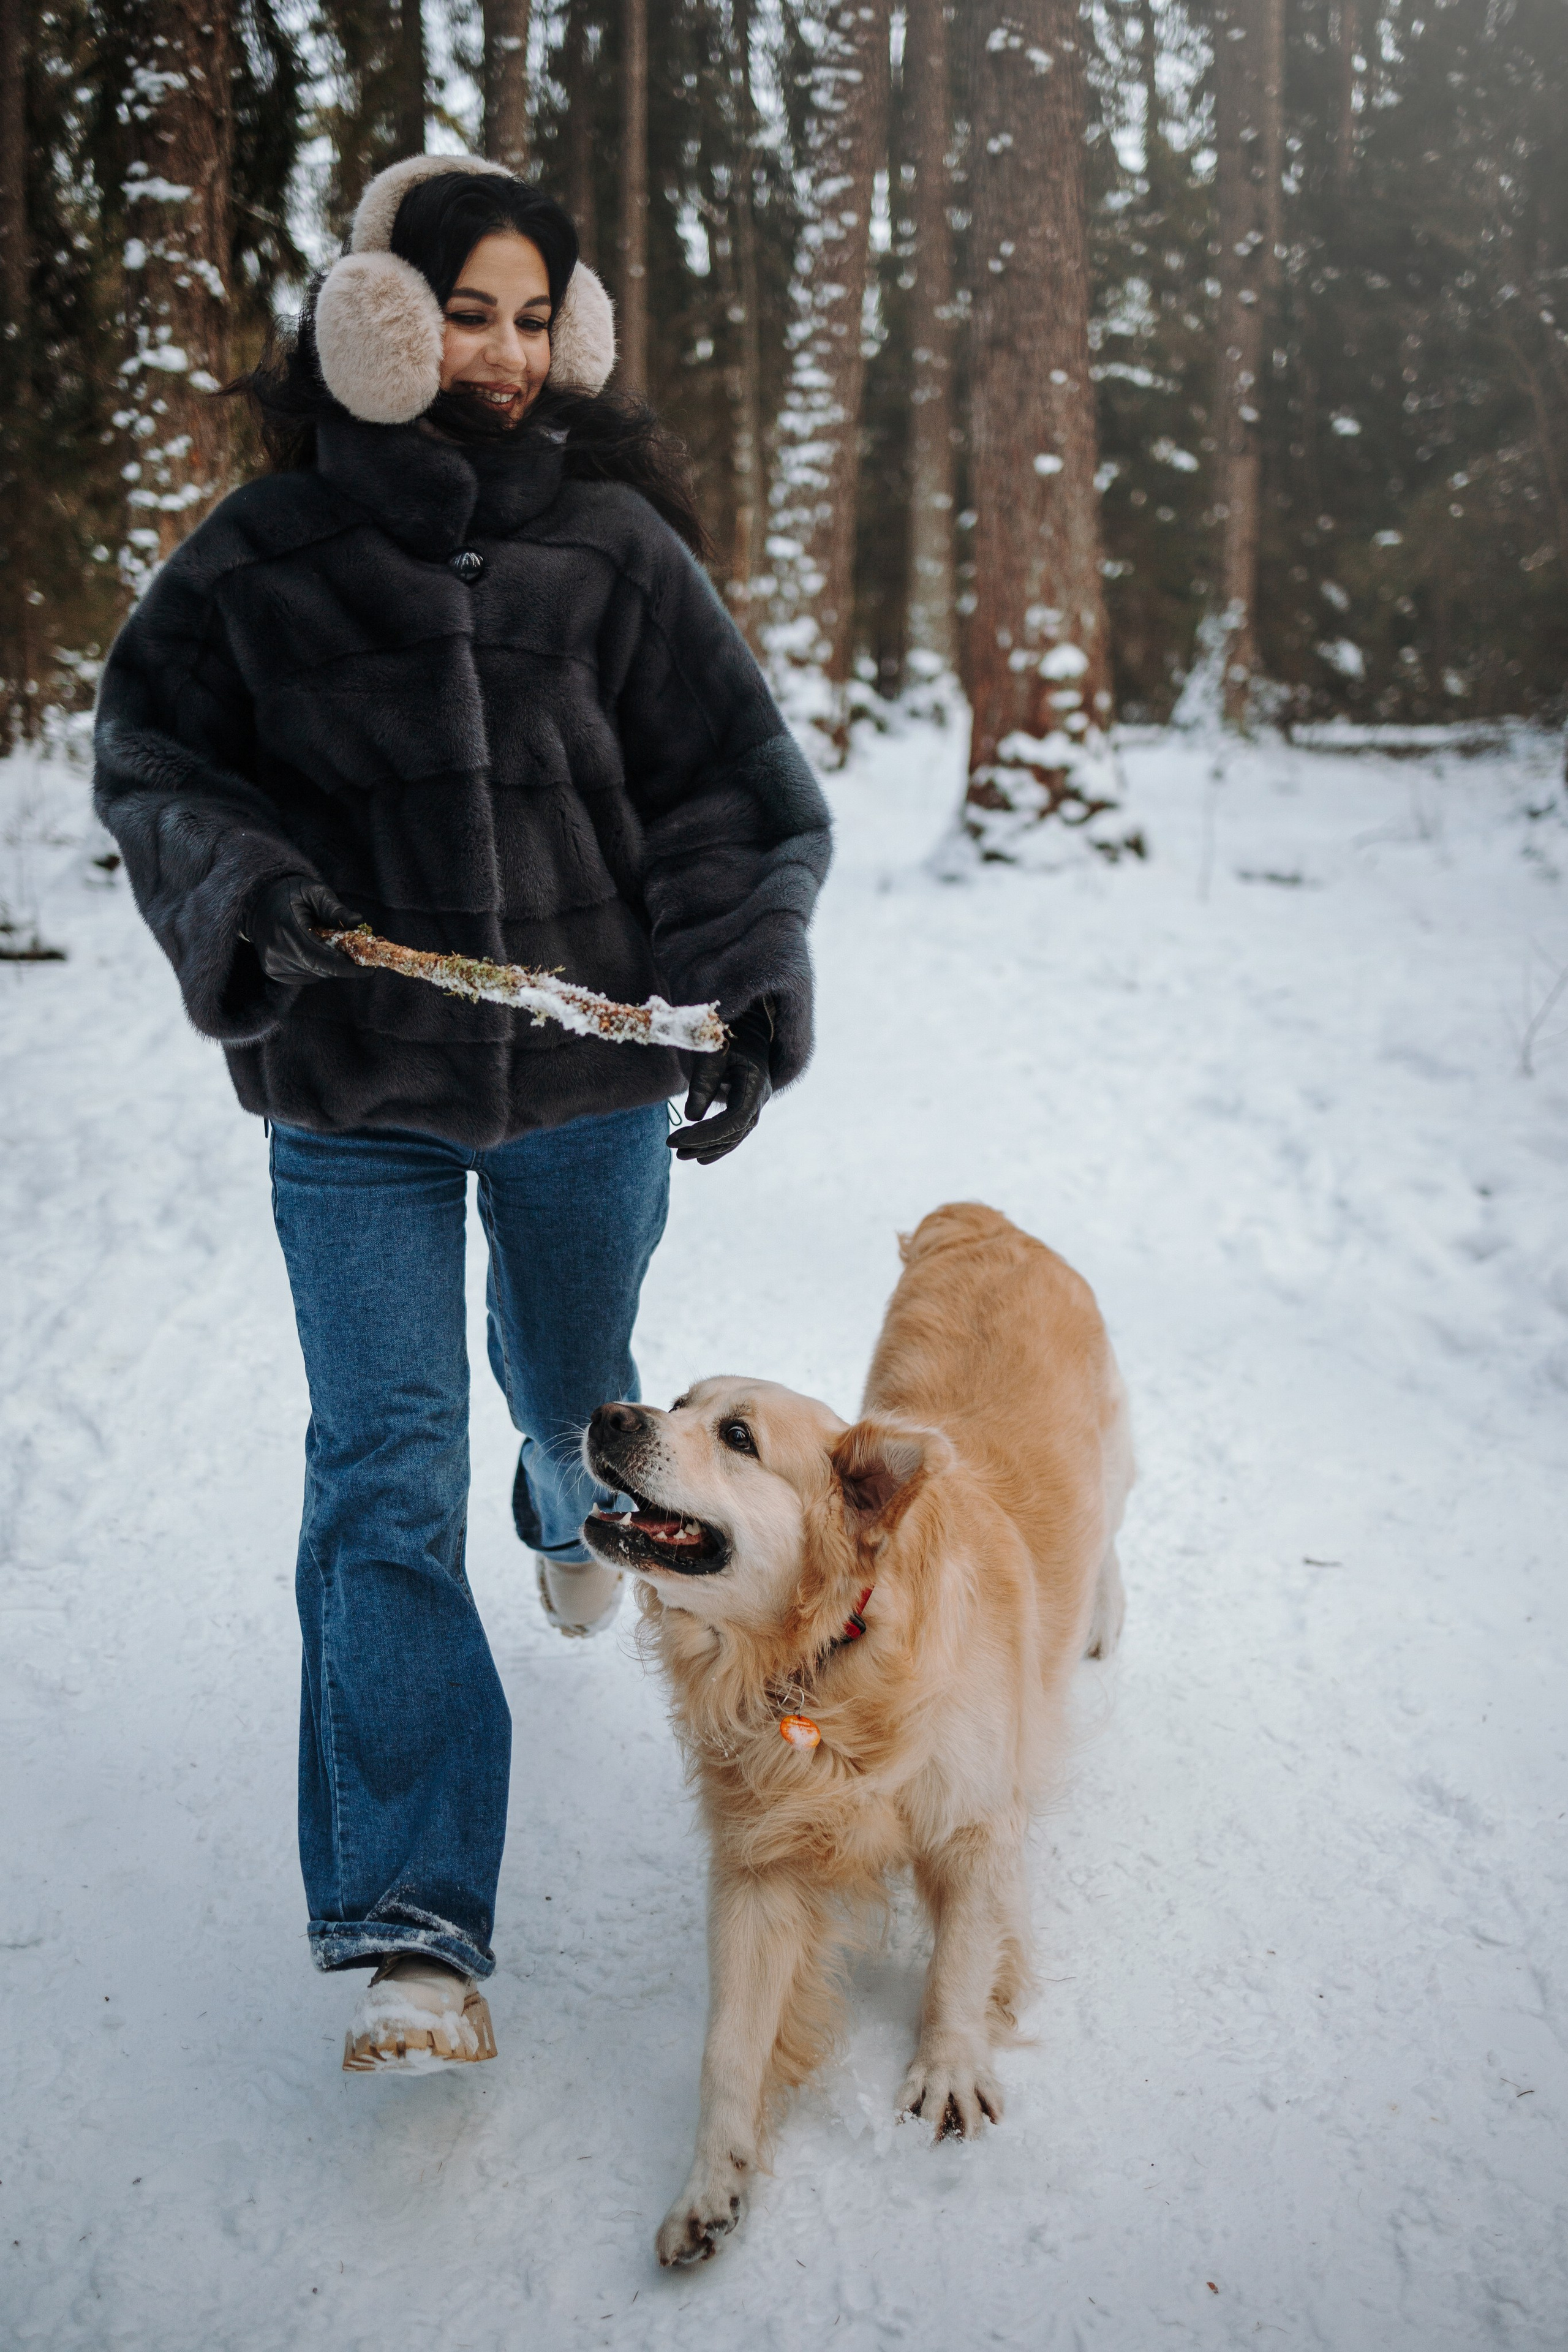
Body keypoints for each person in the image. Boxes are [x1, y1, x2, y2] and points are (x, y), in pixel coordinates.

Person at [92, 154, 832, 2073]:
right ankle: (417, 1929)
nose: (501, 354)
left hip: (584, 1080)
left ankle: (567, 1492)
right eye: (465, 314)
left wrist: (742, 982)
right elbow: (154, 754)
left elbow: (730, 793)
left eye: (531, 316)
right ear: (380, 322)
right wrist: (248, 895)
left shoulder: (614, 548)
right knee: (376, 1469)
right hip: (354, 1089)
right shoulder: (263, 552)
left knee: (582, 1380)